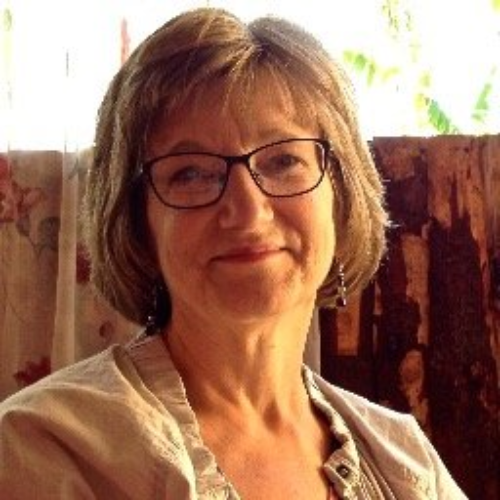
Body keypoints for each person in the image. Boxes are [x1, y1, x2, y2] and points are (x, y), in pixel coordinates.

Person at [0, 7, 466, 499]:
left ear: (342, 193)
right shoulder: (42, 447)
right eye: (191, 173)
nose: (247, 211)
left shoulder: (405, 463)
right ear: (137, 221)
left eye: (284, 160)